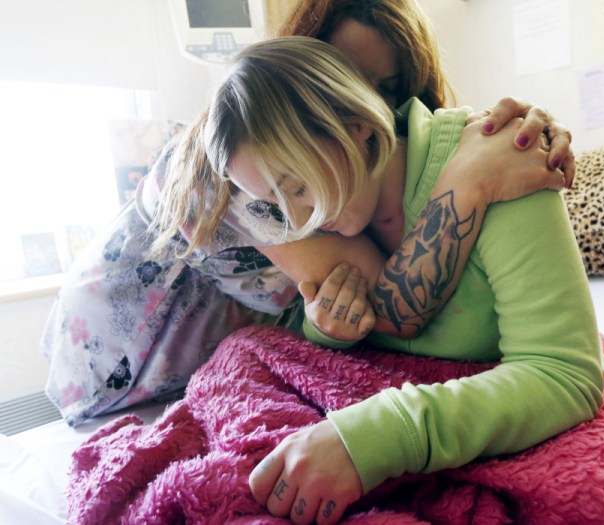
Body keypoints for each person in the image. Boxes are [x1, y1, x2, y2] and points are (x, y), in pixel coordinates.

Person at [42, 2, 574, 424]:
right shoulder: (236, 171)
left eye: (386, 89)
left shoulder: (361, 170)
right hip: (113, 358)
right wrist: (469, 179)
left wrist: (507, 140)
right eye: (341, 76)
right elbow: (393, 310)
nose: (364, 105)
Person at [171, 37, 600, 525]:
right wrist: (324, 325)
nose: (297, 222)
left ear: (356, 129)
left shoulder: (504, 154)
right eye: (273, 203)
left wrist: (377, 437)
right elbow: (321, 337)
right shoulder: (324, 223)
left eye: (297, 187)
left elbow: (565, 375)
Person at [276, 0, 576, 181]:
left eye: (388, 89)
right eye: (345, 81)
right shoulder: (258, 178)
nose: (366, 112)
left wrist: (523, 133)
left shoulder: (420, 159)